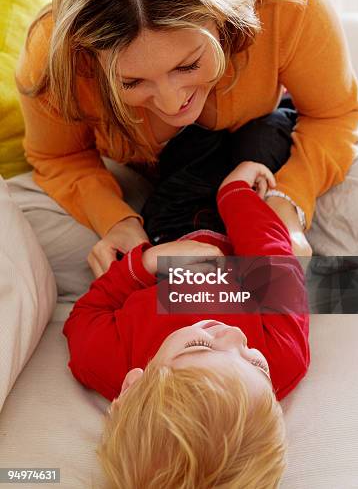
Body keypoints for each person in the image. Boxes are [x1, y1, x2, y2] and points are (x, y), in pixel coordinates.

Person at [12, 0, 358, 292]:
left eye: (187, 65)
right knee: (34, 240)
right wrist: (116, 222)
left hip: (268, 150)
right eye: (132, 83)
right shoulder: (54, 56)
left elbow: (334, 114)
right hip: (142, 181)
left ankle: (223, 283)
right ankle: (216, 283)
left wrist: (289, 200)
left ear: (224, 16)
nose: (173, 106)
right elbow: (59, 156)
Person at [63, 159, 310, 488]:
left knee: (190, 147)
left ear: (132, 387)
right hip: (243, 233)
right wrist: (235, 195)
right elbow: (275, 266)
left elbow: (87, 314)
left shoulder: (107, 359)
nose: (235, 335)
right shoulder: (285, 360)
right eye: (256, 364)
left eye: (201, 344)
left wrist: (146, 263)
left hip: (170, 228)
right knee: (264, 140)